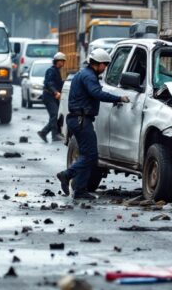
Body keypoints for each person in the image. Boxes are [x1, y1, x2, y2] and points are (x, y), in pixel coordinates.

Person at [56, 49, 129, 200]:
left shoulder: (83, 74)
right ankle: (67, 175)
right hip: (81, 120)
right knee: (91, 155)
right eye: (105, 65)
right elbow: (97, 93)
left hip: (78, 119)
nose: (106, 68)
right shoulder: (89, 77)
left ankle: (80, 190)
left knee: (86, 155)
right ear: (99, 64)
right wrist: (119, 98)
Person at [38, 52, 66, 143]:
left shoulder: (57, 71)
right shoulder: (51, 71)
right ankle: (48, 133)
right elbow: (49, 83)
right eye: (62, 61)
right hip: (49, 96)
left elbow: (58, 83)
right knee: (54, 115)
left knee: (55, 115)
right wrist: (55, 92)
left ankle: (50, 134)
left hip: (53, 96)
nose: (63, 63)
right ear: (58, 61)